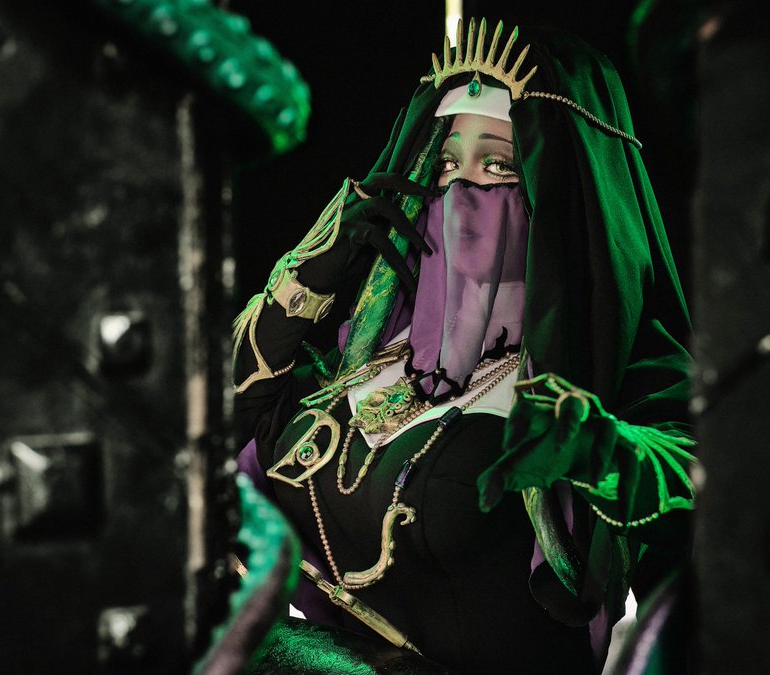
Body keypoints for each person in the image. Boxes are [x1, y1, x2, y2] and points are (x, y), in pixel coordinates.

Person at [233, 18, 695, 674]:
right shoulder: (376, 351)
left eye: (497, 164)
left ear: (559, 188)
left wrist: (598, 447)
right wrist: (301, 281)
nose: (458, 192)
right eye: (446, 162)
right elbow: (219, 426)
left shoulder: (611, 372)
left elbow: (699, 479)